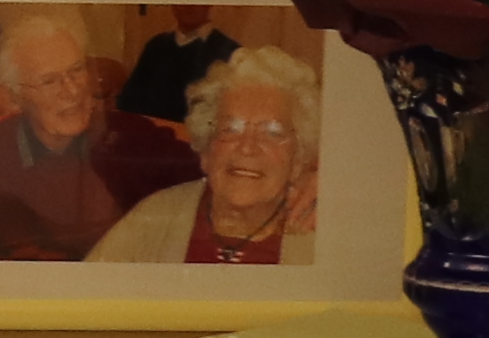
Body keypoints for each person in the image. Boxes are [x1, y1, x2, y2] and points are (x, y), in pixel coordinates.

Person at [0, 6, 194, 261]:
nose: (72, 91)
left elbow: (207, 176)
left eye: (76, 70)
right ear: (16, 96)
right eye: (50, 81)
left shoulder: (132, 138)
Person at [89, 42, 328, 266]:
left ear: (299, 158)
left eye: (272, 133)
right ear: (207, 149)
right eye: (230, 129)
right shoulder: (155, 218)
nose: (247, 146)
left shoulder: (321, 230)